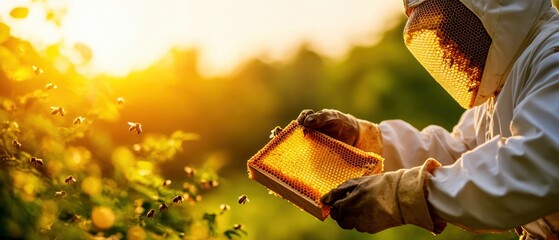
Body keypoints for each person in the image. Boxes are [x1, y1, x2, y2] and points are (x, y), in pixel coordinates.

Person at [295, 0, 559, 239]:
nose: (449, 41)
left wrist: (405, 194)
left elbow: (540, 167)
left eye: (451, 22)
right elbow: (462, 154)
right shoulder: (507, 78)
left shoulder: (552, 56)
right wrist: (365, 140)